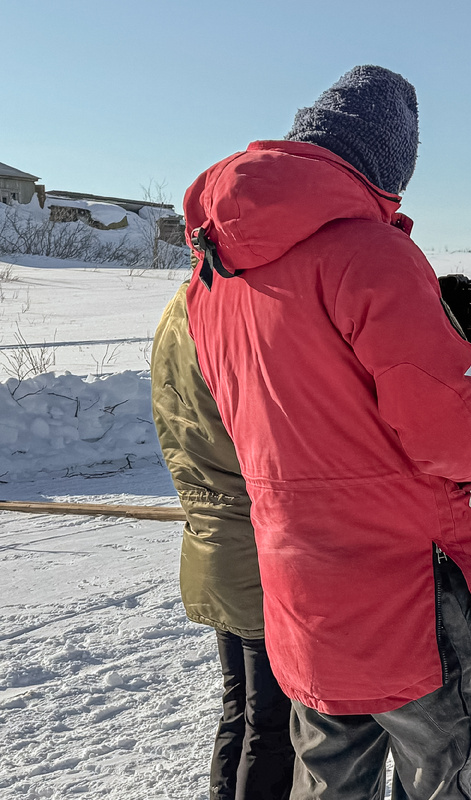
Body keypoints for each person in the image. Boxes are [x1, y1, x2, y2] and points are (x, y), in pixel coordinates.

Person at [180, 65, 471, 799]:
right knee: (443, 780)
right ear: (388, 162)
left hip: (299, 585)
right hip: (407, 583)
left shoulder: (212, 282)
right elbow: (445, 433)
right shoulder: (371, 254)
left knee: (329, 779)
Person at [151, 280, 294, 800]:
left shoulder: (183, 308)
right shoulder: (236, 314)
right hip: (254, 548)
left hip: (210, 541)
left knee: (243, 705)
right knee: (273, 720)